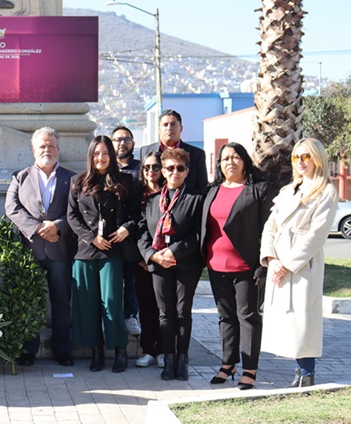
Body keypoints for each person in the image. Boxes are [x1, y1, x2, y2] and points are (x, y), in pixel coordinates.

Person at [260, 138, 339, 388]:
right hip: (279, 260)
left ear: (317, 158)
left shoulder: (326, 191)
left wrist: (288, 263)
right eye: (296, 157)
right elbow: (270, 227)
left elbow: (317, 234)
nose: (301, 162)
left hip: (303, 264)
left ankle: (307, 372)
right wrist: (271, 259)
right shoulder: (288, 190)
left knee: (303, 318)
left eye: (306, 156)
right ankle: (299, 370)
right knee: (286, 319)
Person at [201, 143, 274, 390]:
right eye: (224, 159)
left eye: (235, 157)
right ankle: (227, 364)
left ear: (244, 161)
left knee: (248, 317)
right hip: (216, 265)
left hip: (246, 266)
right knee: (226, 318)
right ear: (219, 164)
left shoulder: (259, 190)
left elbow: (268, 230)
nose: (229, 162)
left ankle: (249, 370)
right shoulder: (211, 191)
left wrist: (263, 264)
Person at [67, 135, 140, 372]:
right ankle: (95, 351)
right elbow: (72, 216)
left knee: (111, 301)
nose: (101, 158)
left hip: (113, 250)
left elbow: (136, 214)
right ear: (90, 155)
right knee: (87, 305)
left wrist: (125, 228)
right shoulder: (77, 182)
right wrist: (91, 238)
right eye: (96, 153)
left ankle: (119, 350)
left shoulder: (125, 181)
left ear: (111, 155)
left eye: (105, 153)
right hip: (86, 252)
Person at [5, 127, 76, 367]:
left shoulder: (73, 179)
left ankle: (62, 349)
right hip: (30, 249)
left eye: (52, 146)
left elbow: (77, 213)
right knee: (31, 301)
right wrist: (37, 228)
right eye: (43, 146)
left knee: (61, 301)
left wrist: (57, 226)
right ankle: (28, 349)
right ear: (34, 150)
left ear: (58, 149)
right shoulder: (20, 177)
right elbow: (12, 208)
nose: (47, 150)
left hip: (60, 249)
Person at [138, 148, 203, 381]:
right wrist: (153, 255)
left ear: (187, 171)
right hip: (159, 264)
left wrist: (173, 251)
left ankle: (182, 361)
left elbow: (199, 234)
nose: (174, 172)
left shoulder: (197, 200)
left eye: (180, 168)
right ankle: (169, 359)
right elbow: (143, 232)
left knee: (182, 312)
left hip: (186, 264)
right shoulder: (153, 201)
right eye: (169, 168)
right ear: (163, 171)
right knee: (164, 314)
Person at [134, 152, 165, 369]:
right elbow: (134, 225)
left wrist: (157, 256)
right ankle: (148, 350)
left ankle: (164, 349)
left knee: (164, 307)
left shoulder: (168, 193)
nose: (151, 171)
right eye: (146, 168)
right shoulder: (136, 194)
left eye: (155, 167)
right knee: (146, 307)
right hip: (141, 260)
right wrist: (144, 256)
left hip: (164, 259)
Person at [111, 126, 142, 337]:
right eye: (117, 139)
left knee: (131, 279)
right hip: (108, 236)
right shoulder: (105, 169)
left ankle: (132, 316)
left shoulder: (141, 169)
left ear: (133, 143)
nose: (122, 143)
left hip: (133, 232)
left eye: (126, 139)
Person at [139, 109, 207, 194]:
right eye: (165, 125)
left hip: (185, 203)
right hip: (153, 203)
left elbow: (202, 187)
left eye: (173, 124)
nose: (169, 128)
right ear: (159, 129)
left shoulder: (196, 154)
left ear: (181, 128)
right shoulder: (145, 151)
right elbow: (141, 183)